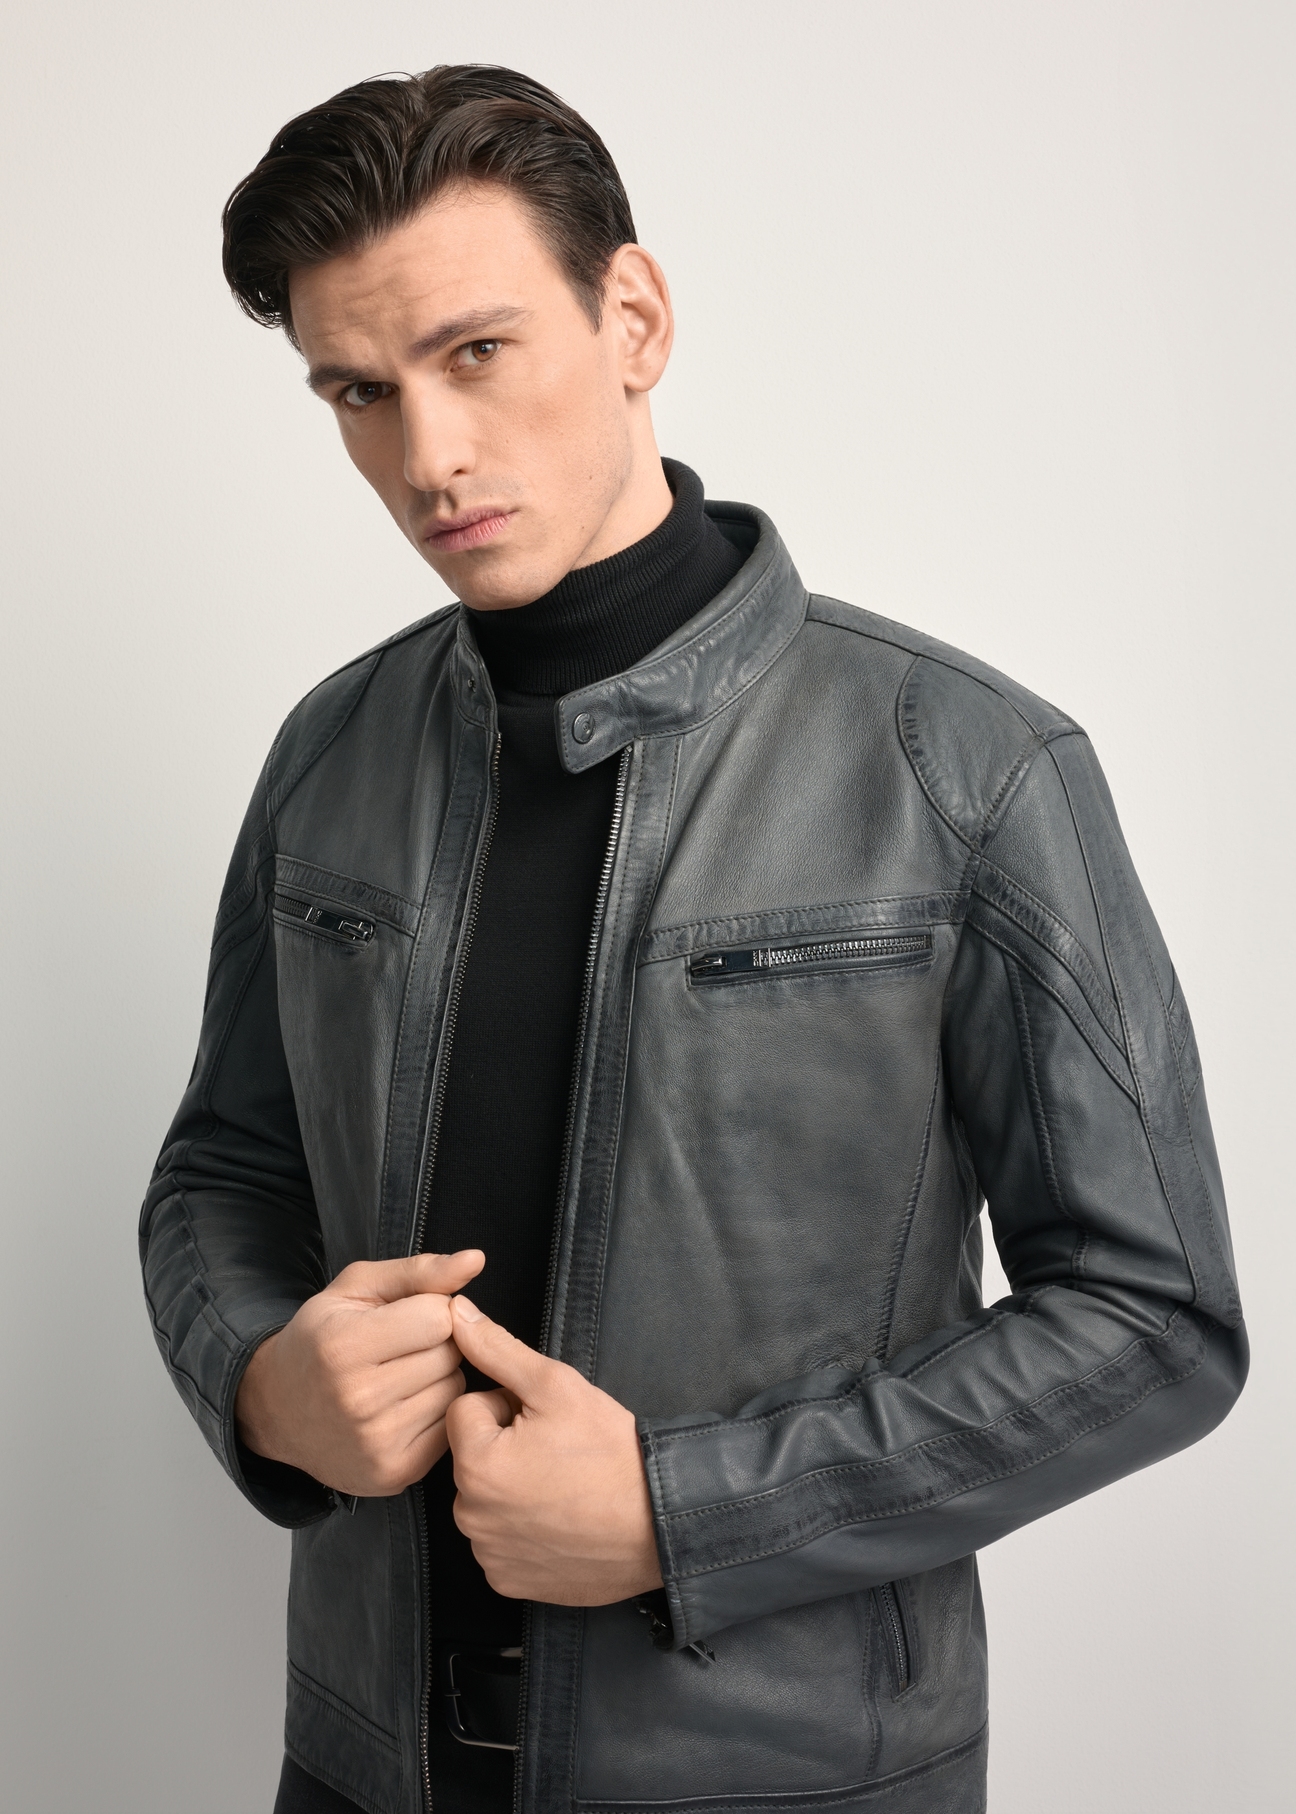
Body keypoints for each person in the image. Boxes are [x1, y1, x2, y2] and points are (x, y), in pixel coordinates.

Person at [139, 63, 1247, 1814]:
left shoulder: (965, 766)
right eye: (360, 391)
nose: (428, 456)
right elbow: (222, 1170)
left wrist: (684, 1512)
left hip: (789, 1778)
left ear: (634, 318)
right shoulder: (330, 752)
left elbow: (1154, 1315)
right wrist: (264, 1382)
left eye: (476, 351)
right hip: (361, 1767)